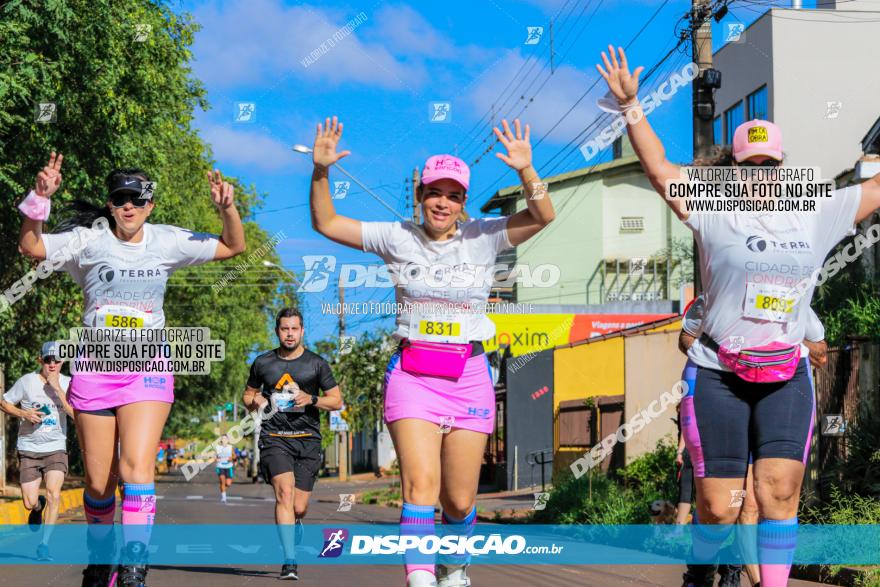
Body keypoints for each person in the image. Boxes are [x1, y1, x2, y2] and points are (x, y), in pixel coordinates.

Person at [595, 44, 880, 587]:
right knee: (720, 507)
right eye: (749, 167)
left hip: (784, 375)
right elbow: (658, 170)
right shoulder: (711, 207)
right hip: (718, 374)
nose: (761, 177)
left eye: (770, 167)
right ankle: (702, 570)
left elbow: (876, 188)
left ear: (782, 170)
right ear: (733, 171)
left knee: (779, 491)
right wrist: (632, 106)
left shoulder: (816, 210)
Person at [308, 116, 556, 587]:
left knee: (460, 502)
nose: (443, 202)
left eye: (454, 194)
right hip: (413, 375)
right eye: (434, 192)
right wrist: (321, 172)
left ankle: (454, 567)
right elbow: (326, 222)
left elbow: (543, 216)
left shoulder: (485, 236)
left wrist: (527, 171)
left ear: (463, 202)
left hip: (470, 374)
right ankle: (420, 579)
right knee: (419, 488)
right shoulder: (396, 237)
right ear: (419, 195)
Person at [17, 153, 246, 587]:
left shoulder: (167, 240)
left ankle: (135, 566)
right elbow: (30, 246)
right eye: (120, 199)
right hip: (95, 368)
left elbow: (233, 246)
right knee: (100, 485)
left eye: (137, 201)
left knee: (136, 468)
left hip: (148, 369)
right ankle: (101, 557)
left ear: (150, 206)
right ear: (109, 204)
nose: (128, 207)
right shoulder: (87, 241)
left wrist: (227, 209)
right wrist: (39, 198)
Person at [678, 295, 828, 587]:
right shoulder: (717, 292)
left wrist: (784, 344)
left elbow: (821, 353)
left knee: (763, 501)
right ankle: (700, 569)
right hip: (724, 402)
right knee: (722, 508)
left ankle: (750, 576)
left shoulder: (792, 299)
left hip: (774, 404)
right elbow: (685, 338)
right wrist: (726, 353)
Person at [243, 307, 343, 581]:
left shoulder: (317, 364)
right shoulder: (263, 363)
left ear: (302, 331)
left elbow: (336, 400)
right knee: (284, 496)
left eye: (294, 329)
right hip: (275, 438)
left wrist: (311, 399)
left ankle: (297, 520)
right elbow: (248, 395)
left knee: (299, 506)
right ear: (277, 331)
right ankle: (289, 560)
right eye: (284, 329)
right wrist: (258, 401)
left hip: (308, 440)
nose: (289, 334)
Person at [0, 341, 74, 561]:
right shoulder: (27, 382)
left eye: (57, 360)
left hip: (56, 448)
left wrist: (58, 389)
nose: (52, 364)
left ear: (63, 362)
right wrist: (24, 414)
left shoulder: (68, 384)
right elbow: (3, 403)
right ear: (40, 360)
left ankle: (44, 545)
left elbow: (76, 414)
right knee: (29, 502)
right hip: (29, 449)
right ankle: (37, 506)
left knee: (54, 493)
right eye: (48, 360)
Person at [214, 435, 236, 503]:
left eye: (225, 438)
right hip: (220, 466)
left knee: (228, 483)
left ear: (228, 440)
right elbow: (215, 457)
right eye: (223, 439)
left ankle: (222, 489)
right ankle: (224, 497)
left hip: (229, 467)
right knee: (222, 480)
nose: (224, 440)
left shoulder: (230, 447)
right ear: (221, 440)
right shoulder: (218, 447)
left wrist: (231, 458)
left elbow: (234, 456)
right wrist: (216, 459)